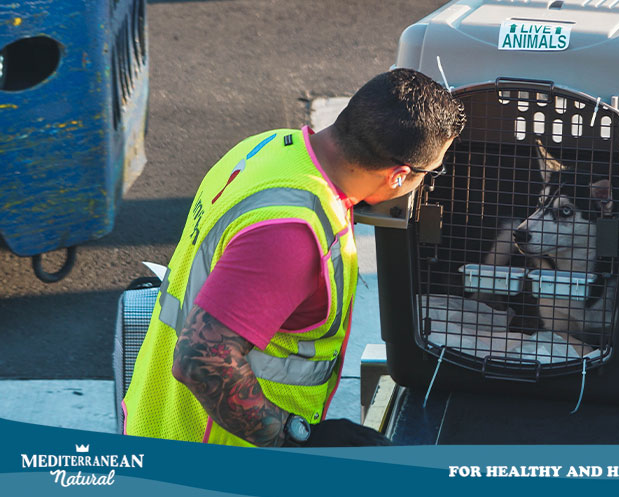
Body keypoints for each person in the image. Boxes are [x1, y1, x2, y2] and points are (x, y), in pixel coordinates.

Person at [122, 68, 466, 447]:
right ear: (399, 176)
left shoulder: (268, 147)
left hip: (158, 418)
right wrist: (295, 436)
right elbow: (202, 359)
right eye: (431, 172)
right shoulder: (296, 233)